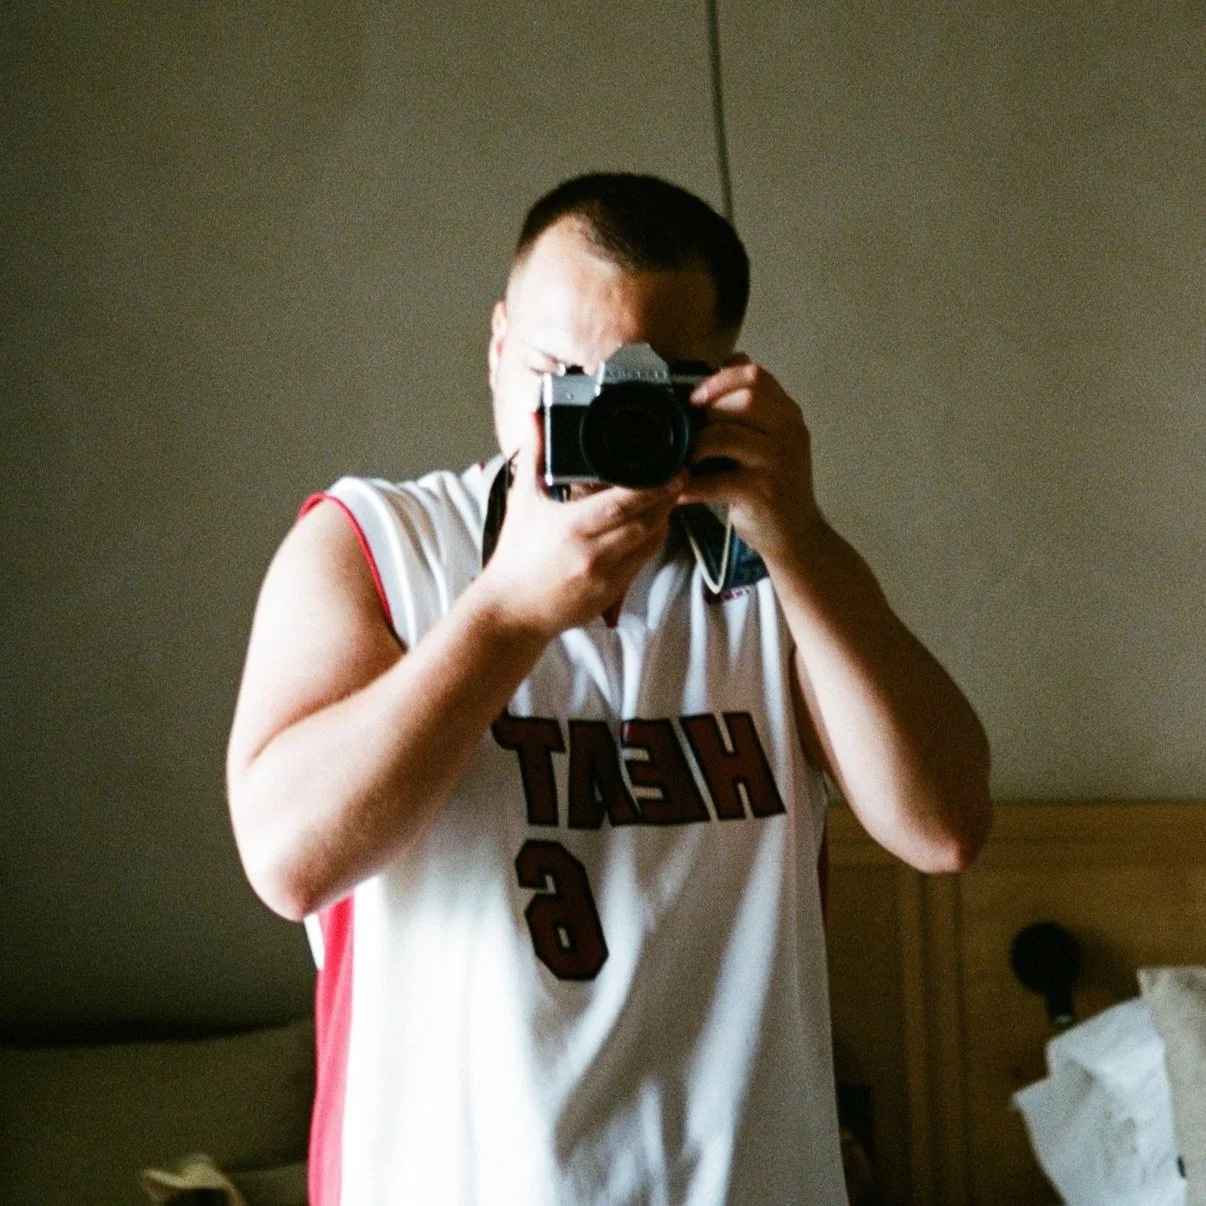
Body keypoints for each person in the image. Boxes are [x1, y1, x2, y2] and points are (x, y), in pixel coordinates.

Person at [226, 173, 992, 1205]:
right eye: (560, 370)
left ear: (719, 383)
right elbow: (289, 861)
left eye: (649, 385)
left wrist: (799, 533)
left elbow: (942, 829)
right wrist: (505, 615)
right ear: (499, 347)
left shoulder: (774, 574)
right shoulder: (381, 544)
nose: (599, 411)